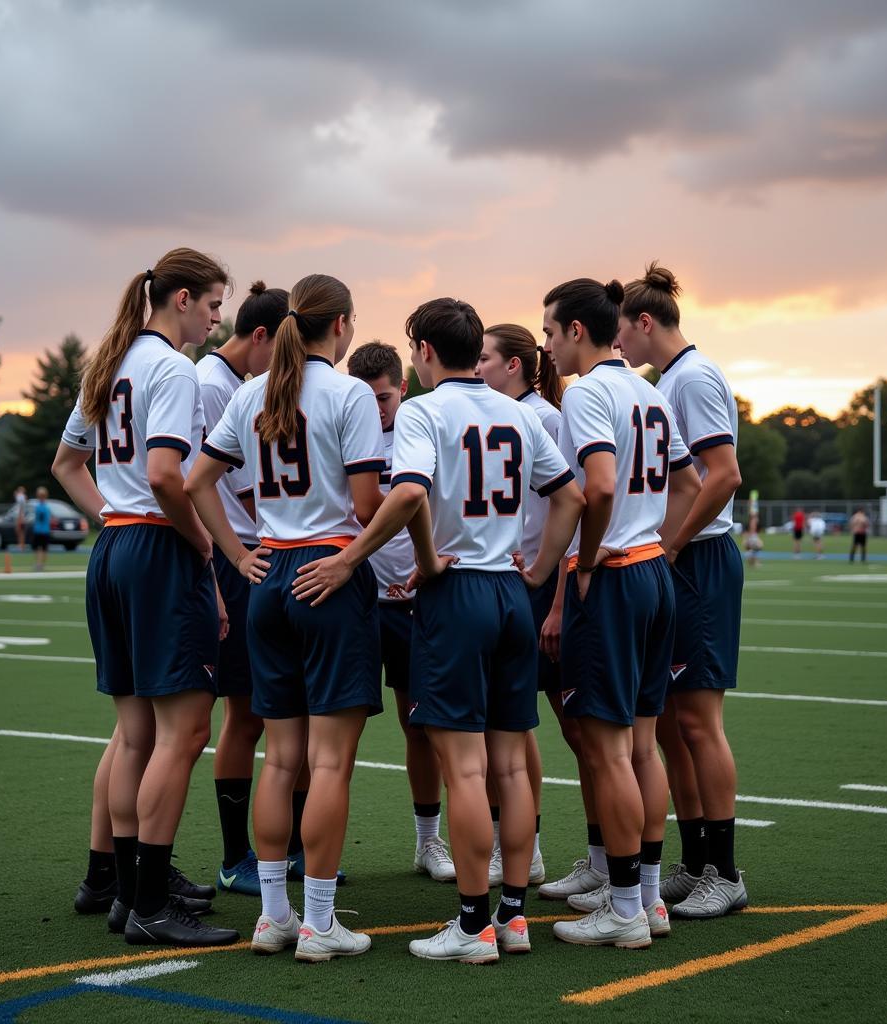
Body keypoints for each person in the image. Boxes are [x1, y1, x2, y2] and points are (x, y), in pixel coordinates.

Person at [292, 297, 585, 963]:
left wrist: (359, 559)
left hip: (456, 595)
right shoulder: (516, 409)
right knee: (511, 763)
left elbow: (409, 492)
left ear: (423, 351)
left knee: (466, 767)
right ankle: (511, 917)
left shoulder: (424, 409)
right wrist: (538, 572)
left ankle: (474, 925)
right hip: (511, 592)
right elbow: (570, 495)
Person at [187, 273, 384, 963]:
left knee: (281, 761)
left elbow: (195, 481)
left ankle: (274, 916)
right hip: (327, 575)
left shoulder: (251, 390)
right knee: (329, 763)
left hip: (270, 576)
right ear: (341, 324)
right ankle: (320, 923)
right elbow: (365, 505)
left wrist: (238, 554)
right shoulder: (349, 392)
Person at [53, 247, 239, 947]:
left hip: (115, 550)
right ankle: (152, 905)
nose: (217, 319)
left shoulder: (113, 359)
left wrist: (109, 513)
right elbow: (167, 475)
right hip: (158, 550)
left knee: (136, 734)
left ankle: (129, 894)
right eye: (214, 304)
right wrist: (200, 543)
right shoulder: (172, 368)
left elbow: (66, 464)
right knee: (185, 732)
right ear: (183, 298)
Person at [541, 276, 700, 950]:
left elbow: (598, 485)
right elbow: (690, 484)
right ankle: (650, 901)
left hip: (613, 579)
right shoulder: (649, 390)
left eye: (550, 332)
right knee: (640, 743)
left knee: (608, 752)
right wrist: (656, 544)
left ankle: (628, 909)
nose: (547, 346)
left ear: (578, 330)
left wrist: (590, 552)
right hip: (653, 576)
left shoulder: (589, 394)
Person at [616, 262, 748, 921]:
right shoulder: (668, 381)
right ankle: (696, 862)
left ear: (645, 323)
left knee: (698, 721)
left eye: (623, 333)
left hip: (698, 559)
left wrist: (669, 544)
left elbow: (723, 474)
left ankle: (724, 871)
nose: (619, 347)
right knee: (669, 723)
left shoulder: (691, 378)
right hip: (677, 560)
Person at [347, 341, 456, 884]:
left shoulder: (421, 426)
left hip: (418, 598)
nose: (376, 409)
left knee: (423, 725)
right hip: (361, 596)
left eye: (384, 397)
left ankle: (428, 840)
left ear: (403, 387)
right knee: (336, 726)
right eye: (366, 400)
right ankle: (304, 848)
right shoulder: (347, 428)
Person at [196, 281, 288, 897]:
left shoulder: (237, 382)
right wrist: (221, 565)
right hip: (234, 557)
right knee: (244, 713)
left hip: (257, 552)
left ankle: (285, 845)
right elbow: (189, 482)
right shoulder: (208, 383)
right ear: (261, 338)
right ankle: (235, 857)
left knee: (267, 711)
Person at [476, 323, 570, 888]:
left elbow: (570, 505)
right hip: (508, 583)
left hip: (534, 583)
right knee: (511, 725)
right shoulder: (503, 414)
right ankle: (520, 843)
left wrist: (550, 586)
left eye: (486, 357)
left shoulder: (544, 418)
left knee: (532, 723)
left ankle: (535, 845)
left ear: (515, 365)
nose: (478, 366)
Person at [30, 486, 52, 569]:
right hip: (44, 530)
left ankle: (39, 564)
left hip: (39, 530)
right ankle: (41, 564)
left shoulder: (38, 507)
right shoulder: (46, 507)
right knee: (44, 549)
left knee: (38, 548)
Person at [14, 486, 28, 551]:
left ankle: (21, 545)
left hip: (20, 516)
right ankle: (21, 545)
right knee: (20, 531)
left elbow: (21, 507)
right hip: (21, 516)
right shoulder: (22, 497)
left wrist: (20, 517)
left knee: (20, 531)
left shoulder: (21, 497)